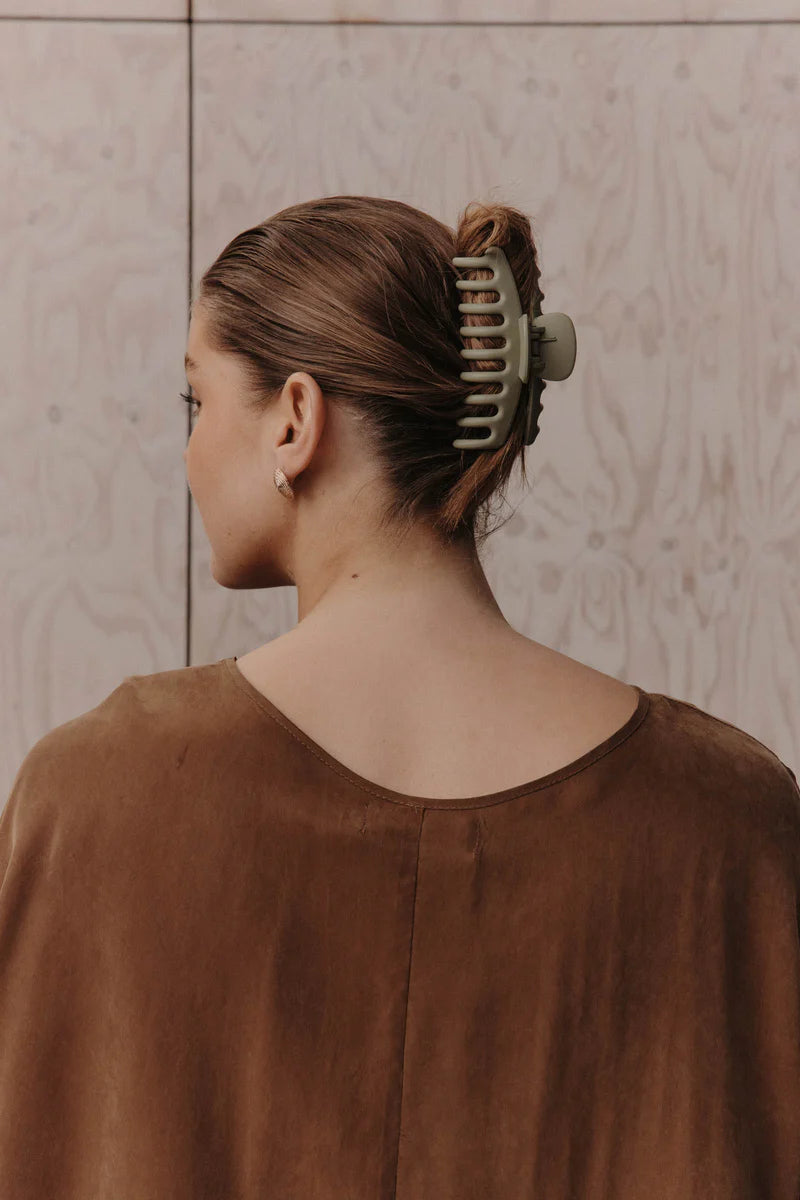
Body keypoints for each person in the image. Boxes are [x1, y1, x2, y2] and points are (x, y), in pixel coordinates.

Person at [1, 194, 799, 1199]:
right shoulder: (728, 818)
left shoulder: (96, 799)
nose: (191, 451)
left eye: (196, 402)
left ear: (295, 420)